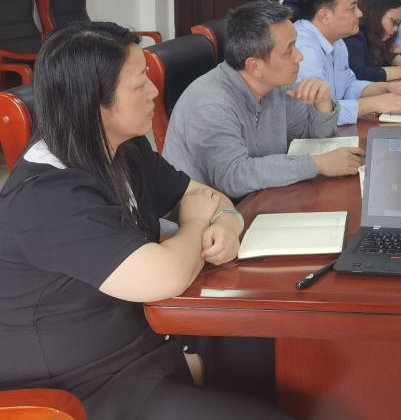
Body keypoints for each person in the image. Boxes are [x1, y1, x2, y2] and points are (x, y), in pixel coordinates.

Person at [0, 21, 289, 420]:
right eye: (140, 84)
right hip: (83, 385)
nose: (155, 91)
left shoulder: (121, 147)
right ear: (94, 102)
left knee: (280, 347)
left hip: (149, 336)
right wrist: (196, 226)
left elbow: (205, 198)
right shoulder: (47, 195)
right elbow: (163, 276)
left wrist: (225, 224)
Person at [163, 1, 362, 200]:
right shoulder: (211, 103)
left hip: (263, 197)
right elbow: (232, 177)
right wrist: (316, 164)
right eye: (289, 50)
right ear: (255, 66)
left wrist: (323, 105)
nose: (299, 56)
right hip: (215, 213)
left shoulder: (274, 86)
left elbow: (313, 139)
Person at [292, 0, 401, 121]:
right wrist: (372, 104)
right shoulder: (303, 49)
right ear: (324, 16)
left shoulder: (337, 42)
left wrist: (386, 88)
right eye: (352, 7)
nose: (360, 13)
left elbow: (348, 86)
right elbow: (314, 115)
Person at [345, 0, 401, 82]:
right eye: (394, 22)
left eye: (399, 23)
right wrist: (398, 71)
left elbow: (383, 56)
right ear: (375, 14)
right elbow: (359, 74)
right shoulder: (354, 36)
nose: (396, 29)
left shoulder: (375, 36)